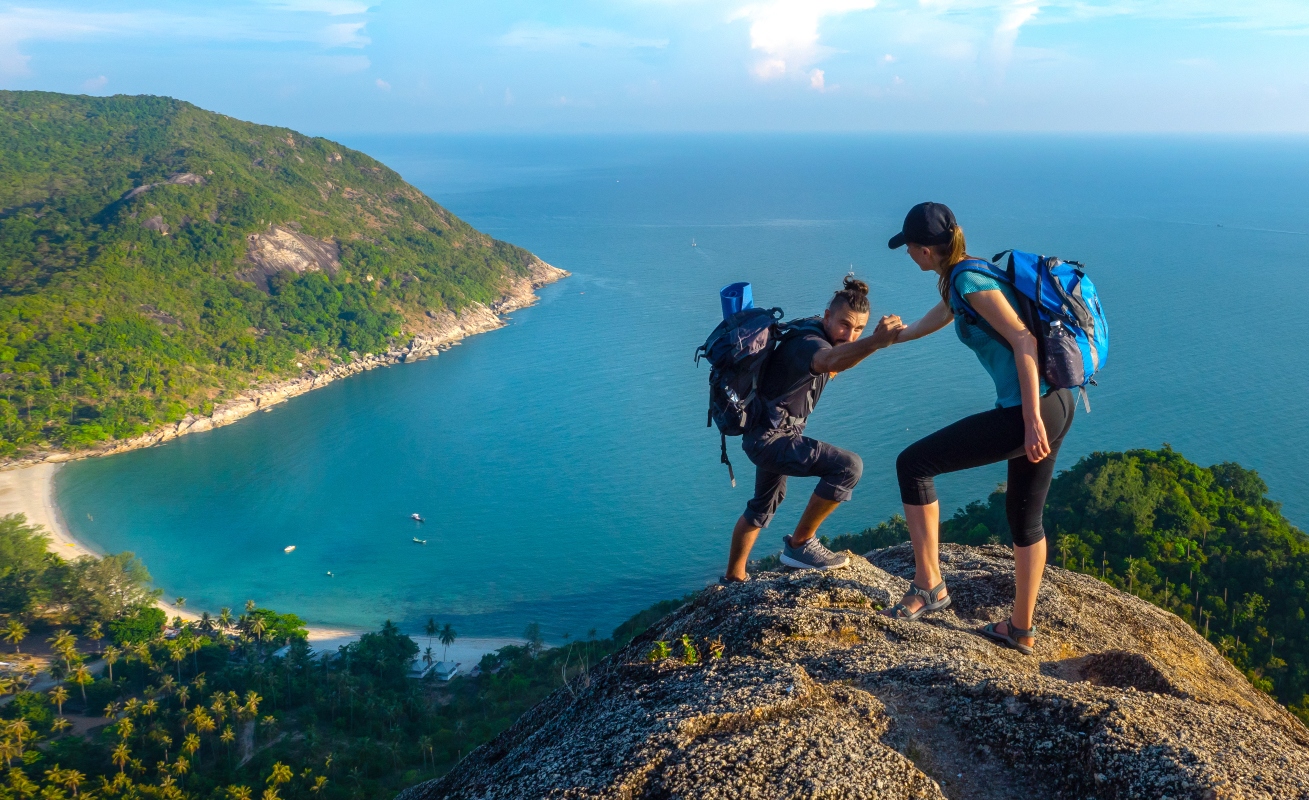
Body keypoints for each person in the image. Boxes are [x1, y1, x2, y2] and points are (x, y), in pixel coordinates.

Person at [880, 202, 1075, 655]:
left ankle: (929, 587)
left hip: (1032, 409)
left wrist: (1027, 421)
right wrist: (897, 336)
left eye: (909, 247)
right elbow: (946, 312)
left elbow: (1023, 339)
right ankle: (1020, 630)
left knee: (913, 464)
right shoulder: (964, 276)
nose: (907, 253)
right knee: (1025, 520)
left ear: (926, 250)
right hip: (1060, 401)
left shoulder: (967, 280)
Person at [723, 277, 904, 582]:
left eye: (858, 329)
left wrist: (873, 342)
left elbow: (838, 363)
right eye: (845, 325)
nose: (850, 335)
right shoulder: (810, 345)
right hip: (771, 440)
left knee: (763, 505)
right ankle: (800, 544)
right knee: (848, 467)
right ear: (827, 316)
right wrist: (873, 341)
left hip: (765, 434)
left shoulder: (812, 333)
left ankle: (732, 578)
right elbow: (830, 360)